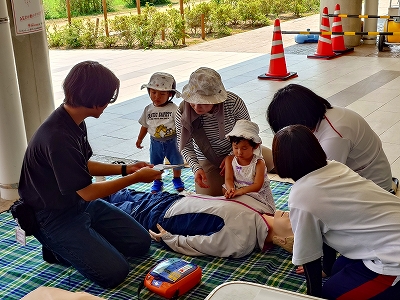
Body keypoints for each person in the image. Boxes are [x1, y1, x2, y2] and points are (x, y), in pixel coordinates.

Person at [18, 61, 163, 289]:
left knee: (140, 242)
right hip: (51, 216)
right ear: (94, 100)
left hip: (78, 205)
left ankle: (82, 241)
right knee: (115, 273)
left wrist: (127, 168)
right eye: (107, 99)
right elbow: (87, 192)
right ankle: (55, 248)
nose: (107, 105)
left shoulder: (74, 120)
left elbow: (82, 165)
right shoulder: (57, 137)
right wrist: (135, 178)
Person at [272, 124, 400, 299]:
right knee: (337, 268)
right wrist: (327, 269)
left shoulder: (301, 198)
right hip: (390, 233)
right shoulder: (335, 167)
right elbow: (324, 232)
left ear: (280, 161)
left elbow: (310, 257)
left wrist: (313, 296)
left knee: (330, 293)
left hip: (393, 259)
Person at [266, 83, 398, 193]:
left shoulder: (335, 134)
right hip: (359, 179)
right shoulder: (324, 115)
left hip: (374, 191)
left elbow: (323, 180)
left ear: (301, 120)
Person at [105, 188, 294, 258]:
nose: (291, 216)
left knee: (100, 208)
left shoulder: (241, 240)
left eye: (294, 225)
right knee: (116, 192)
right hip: (171, 199)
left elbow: (198, 245)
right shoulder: (263, 206)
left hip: (160, 217)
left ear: (284, 240)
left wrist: (169, 239)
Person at [176, 67, 274, 196]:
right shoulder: (183, 111)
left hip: (237, 149)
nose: (196, 106)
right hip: (207, 158)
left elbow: (247, 132)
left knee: (273, 159)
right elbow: (185, 146)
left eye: (203, 102)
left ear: (215, 99)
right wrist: (196, 167)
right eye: (193, 101)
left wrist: (231, 156)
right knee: (209, 197)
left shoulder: (233, 102)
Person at [136, 72, 185, 193]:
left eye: (162, 94)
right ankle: (157, 180)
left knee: (176, 161)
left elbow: (181, 125)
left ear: (170, 94)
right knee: (156, 163)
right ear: (149, 92)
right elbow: (144, 126)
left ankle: (177, 178)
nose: (157, 96)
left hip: (172, 141)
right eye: (153, 93)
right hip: (155, 142)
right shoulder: (148, 109)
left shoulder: (174, 108)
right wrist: (139, 139)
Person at [223, 119, 275, 213]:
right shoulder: (229, 160)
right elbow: (228, 179)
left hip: (255, 192)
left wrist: (241, 191)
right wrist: (231, 188)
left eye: (244, 148)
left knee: (260, 212)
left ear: (255, 146)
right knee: (224, 189)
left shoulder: (259, 163)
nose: (239, 152)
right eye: (235, 147)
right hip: (238, 189)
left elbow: (257, 185)